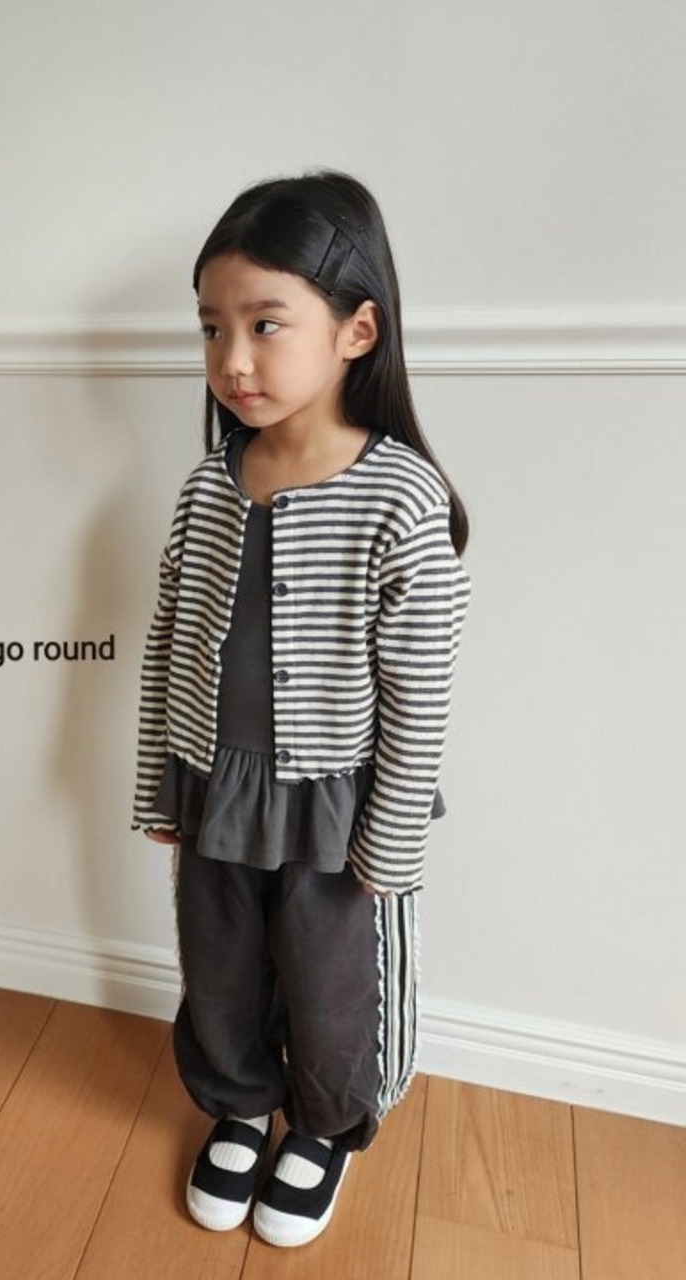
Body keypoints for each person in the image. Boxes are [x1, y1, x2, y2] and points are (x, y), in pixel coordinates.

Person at [132, 170, 472, 1247]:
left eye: (264, 324)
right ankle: (237, 1102)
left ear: (356, 330)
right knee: (220, 965)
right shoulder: (208, 484)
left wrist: (392, 837)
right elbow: (166, 646)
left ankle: (324, 1127)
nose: (231, 359)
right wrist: (158, 784)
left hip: (336, 809)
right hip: (215, 789)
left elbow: (419, 689)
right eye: (211, 328)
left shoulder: (400, 497)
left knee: (333, 987)